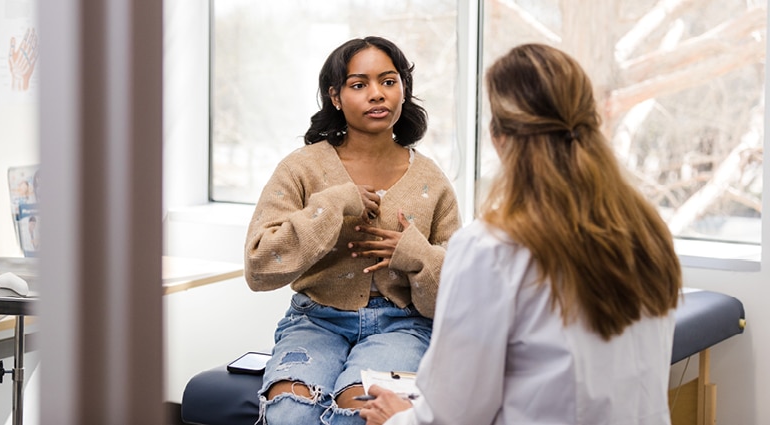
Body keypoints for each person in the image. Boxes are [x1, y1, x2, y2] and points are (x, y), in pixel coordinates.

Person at [359, 43, 682, 425]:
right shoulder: (648, 232)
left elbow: (453, 416)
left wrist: (399, 419)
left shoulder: (491, 248)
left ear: (500, 136)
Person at [244, 36, 462, 425]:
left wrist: (416, 256)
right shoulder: (301, 169)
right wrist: (334, 204)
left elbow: (456, 296)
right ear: (335, 97)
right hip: (314, 320)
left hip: (402, 326)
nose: (377, 94)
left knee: (359, 416)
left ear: (404, 89)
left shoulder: (433, 180)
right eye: (359, 84)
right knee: (289, 415)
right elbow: (259, 267)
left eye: (389, 81)